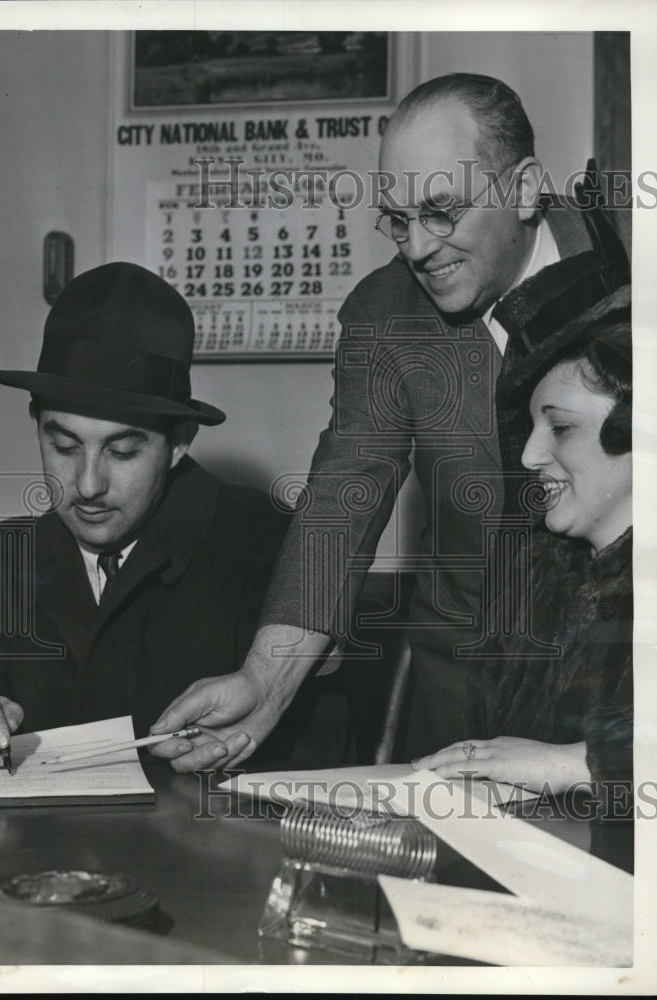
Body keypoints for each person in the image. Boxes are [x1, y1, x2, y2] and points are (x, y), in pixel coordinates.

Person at [149, 73, 630, 770]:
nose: (417, 247)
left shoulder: (629, 258)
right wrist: (265, 680)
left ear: (524, 188)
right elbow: (342, 499)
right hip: (460, 697)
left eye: (440, 211)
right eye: (398, 220)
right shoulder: (386, 315)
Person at [0, 262, 346, 770]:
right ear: (37, 425)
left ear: (179, 443)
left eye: (123, 452)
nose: (88, 485)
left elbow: (317, 769)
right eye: (64, 446)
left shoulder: (274, 549)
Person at [412, 294, 633, 810]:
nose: (530, 456)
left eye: (561, 428)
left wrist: (575, 764)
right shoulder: (532, 574)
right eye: (532, 429)